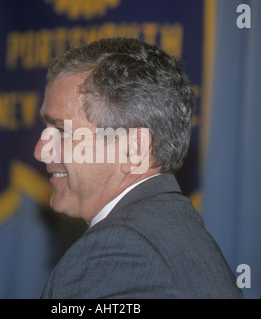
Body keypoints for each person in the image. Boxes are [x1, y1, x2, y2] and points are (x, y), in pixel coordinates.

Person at [34, 37, 243, 298]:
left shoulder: (119, 250)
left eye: (62, 131)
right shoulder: (168, 233)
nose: (41, 151)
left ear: (133, 149)